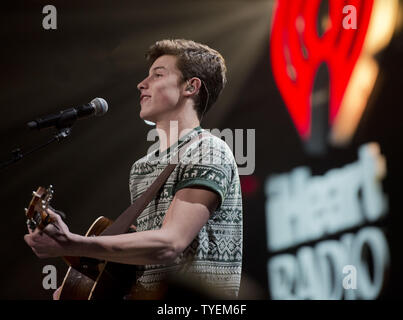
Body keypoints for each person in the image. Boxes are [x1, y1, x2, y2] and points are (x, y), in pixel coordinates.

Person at [24, 39, 243, 299]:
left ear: (190, 87)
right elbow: (143, 260)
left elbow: (170, 243)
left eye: (158, 75)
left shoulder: (208, 150)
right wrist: (77, 276)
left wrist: (73, 243)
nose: (142, 84)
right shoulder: (142, 168)